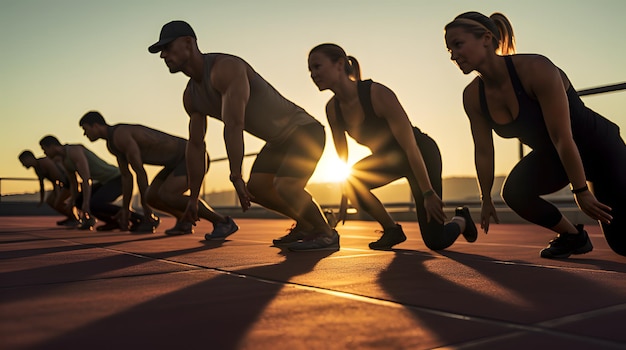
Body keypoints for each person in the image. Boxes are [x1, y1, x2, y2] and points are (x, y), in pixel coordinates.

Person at [444, 12, 626, 258]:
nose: (453, 55)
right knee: (514, 192)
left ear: (486, 38)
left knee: (623, 243)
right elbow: (484, 150)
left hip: (600, 150)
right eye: (449, 50)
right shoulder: (473, 96)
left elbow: (562, 135)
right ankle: (573, 236)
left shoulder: (536, 69)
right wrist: (485, 197)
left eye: (458, 45)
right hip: (555, 156)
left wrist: (581, 190)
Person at [148, 20, 338, 250]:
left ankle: (326, 234)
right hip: (277, 141)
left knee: (286, 185)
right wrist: (193, 198)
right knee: (256, 189)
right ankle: (308, 223)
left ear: (188, 43)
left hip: (304, 130)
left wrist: (235, 175)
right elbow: (196, 146)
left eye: (167, 48)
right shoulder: (191, 96)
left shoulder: (225, 68)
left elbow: (234, 123)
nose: (163, 56)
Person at [308, 43, 478, 251]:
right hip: (390, 160)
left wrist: (428, 193)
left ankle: (461, 219)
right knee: (353, 180)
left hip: (421, 154)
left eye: (317, 67)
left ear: (339, 64)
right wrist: (346, 192)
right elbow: (343, 156)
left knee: (436, 241)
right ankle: (391, 230)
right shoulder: (332, 109)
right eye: (310, 70)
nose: (313, 74)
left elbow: (410, 147)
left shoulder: (377, 94)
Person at [79, 110, 239, 238]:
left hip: (191, 156)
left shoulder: (121, 135)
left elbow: (140, 172)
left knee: (166, 194)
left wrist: (146, 211)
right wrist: (126, 208)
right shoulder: (112, 145)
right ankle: (184, 221)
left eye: (86, 130)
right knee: (151, 197)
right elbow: (127, 177)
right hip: (173, 163)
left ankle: (222, 221)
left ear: (96, 126)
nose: (85, 135)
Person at [38, 135, 143, 231]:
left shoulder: (74, 150)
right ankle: (113, 222)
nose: (45, 153)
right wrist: (72, 201)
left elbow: (86, 179)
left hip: (118, 179)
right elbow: (74, 184)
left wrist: (86, 204)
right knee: (79, 201)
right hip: (105, 181)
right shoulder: (65, 161)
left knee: (93, 203)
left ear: (52, 146)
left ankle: (139, 218)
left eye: (44, 149)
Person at [18, 150, 79, 226]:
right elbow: (41, 185)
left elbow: (56, 178)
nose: (23, 165)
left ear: (29, 158)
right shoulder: (37, 169)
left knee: (57, 203)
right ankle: (72, 217)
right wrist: (41, 199)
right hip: (63, 185)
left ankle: (74, 218)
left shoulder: (44, 162)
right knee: (49, 201)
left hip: (69, 183)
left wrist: (58, 194)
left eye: (23, 162)